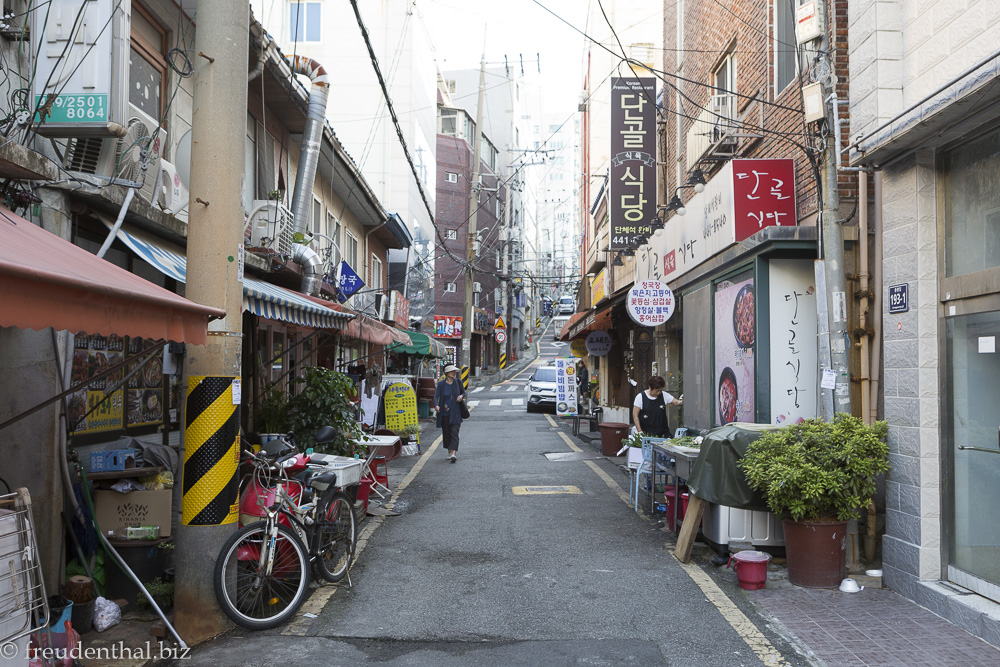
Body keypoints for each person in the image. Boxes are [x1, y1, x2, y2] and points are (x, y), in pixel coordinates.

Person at [434, 364, 466, 462]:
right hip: (445, 412)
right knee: (446, 433)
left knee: (455, 433)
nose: (454, 373)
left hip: (456, 412)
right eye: (452, 372)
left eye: (455, 372)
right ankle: (449, 450)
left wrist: (461, 396)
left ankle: (453, 454)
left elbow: (463, 392)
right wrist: (436, 405)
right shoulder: (441, 384)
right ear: (447, 373)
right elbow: (436, 396)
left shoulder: (458, 382)